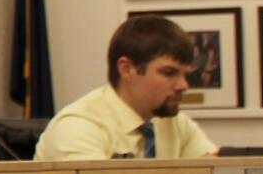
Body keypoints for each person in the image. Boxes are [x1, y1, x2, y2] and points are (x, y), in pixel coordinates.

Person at [35, 16, 217, 160]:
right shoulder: (78, 127)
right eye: (169, 73)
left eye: (185, 74)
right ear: (127, 69)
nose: (183, 86)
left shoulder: (176, 124)